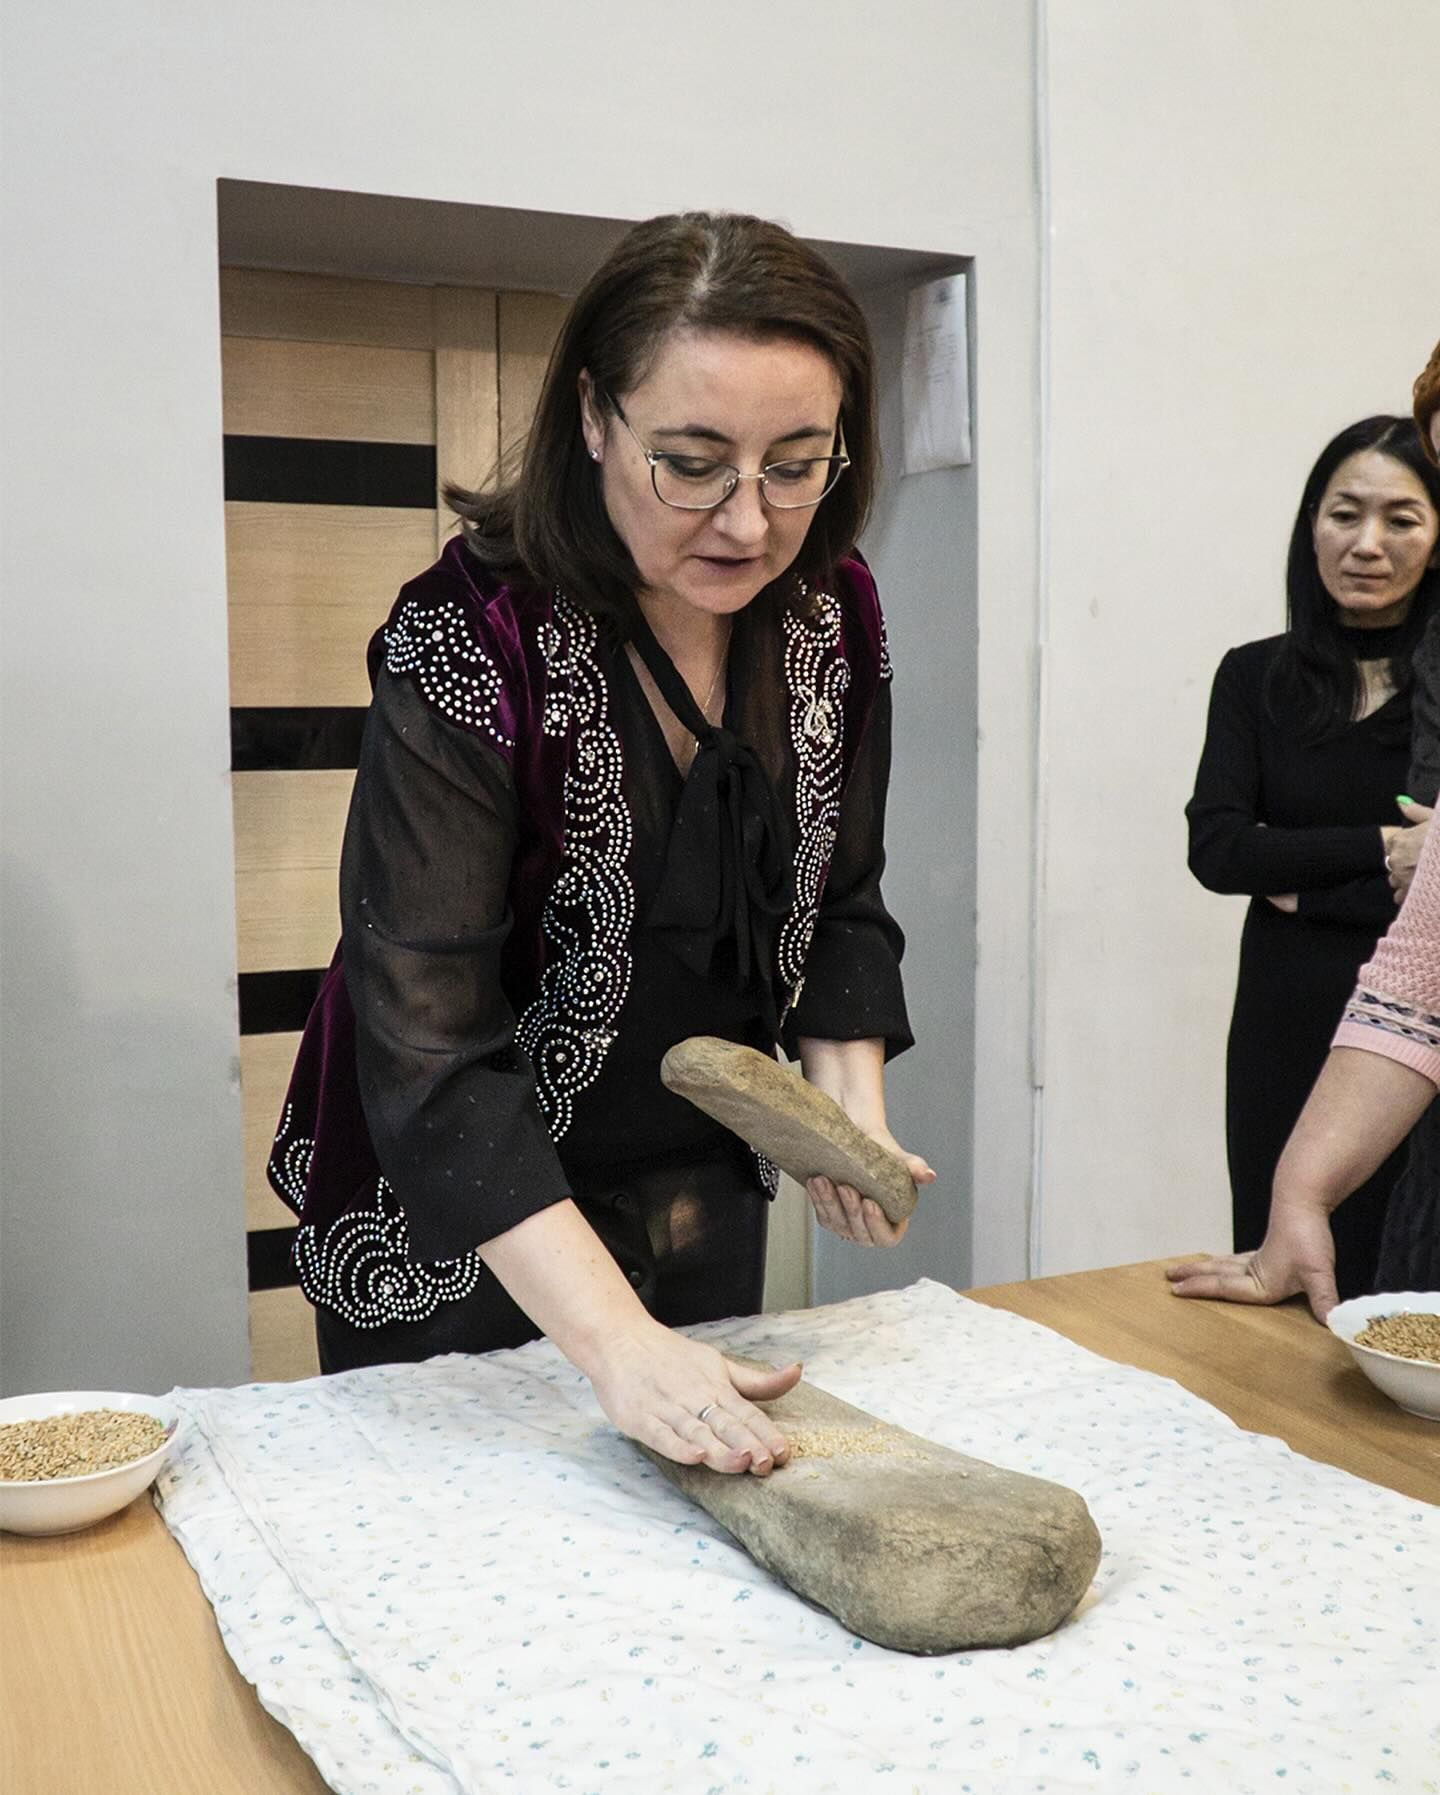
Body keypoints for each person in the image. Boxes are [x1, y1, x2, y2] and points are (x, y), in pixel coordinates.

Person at [267, 211, 935, 1477]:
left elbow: (842, 894)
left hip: (692, 1180)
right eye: (693, 463)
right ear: (592, 417)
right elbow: (427, 1043)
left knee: (693, 1527)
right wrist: (618, 1342)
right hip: (470, 1211)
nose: (749, 521)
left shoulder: (829, 611)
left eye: (797, 464)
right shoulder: (471, 637)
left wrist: (844, 1112)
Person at [1171, 348, 1440, 1318]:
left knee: (1398, 1283)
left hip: (1414, 1025)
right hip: (1287, 1010)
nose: (1367, 543)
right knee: (1285, 1259)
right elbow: (1220, 848)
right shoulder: (1257, 675)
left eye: (1402, 517)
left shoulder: (1435, 686)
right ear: (1310, 527)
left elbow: (1423, 898)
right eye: (1344, 513)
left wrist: (1297, 871)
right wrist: (1383, 851)